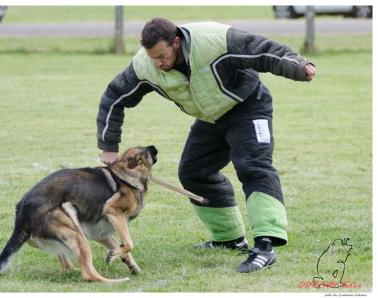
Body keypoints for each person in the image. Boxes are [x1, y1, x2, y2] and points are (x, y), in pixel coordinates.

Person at [96, 18, 316, 273]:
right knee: (193, 172)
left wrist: (299, 66)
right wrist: (108, 145)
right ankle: (230, 238)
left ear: (176, 42)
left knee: (254, 166)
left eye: (161, 55)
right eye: (152, 56)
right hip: (212, 116)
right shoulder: (145, 65)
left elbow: (262, 50)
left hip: (249, 104)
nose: (157, 63)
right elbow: (114, 98)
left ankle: (265, 245)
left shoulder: (214, 41)